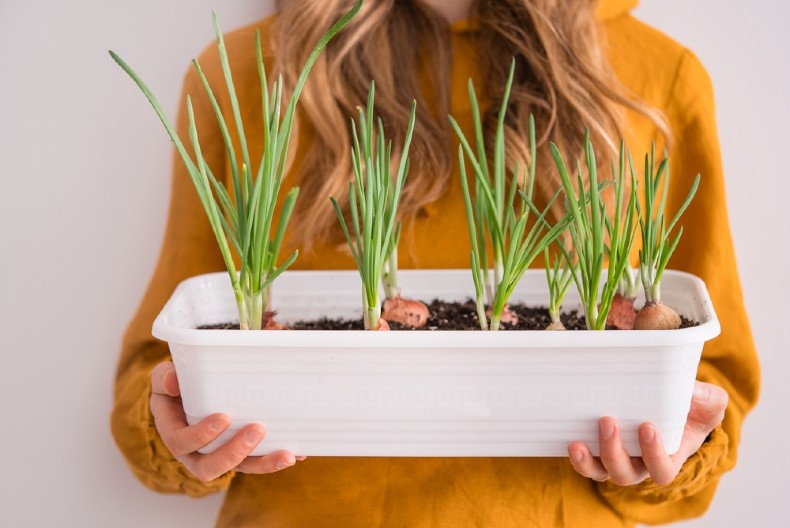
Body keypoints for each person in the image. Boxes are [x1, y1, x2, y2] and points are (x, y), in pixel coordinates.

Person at [111, 0, 759, 525]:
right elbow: (155, 375)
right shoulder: (246, 75)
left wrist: (675, 446)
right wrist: (178, 431)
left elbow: (714, 382)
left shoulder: (655, 80)